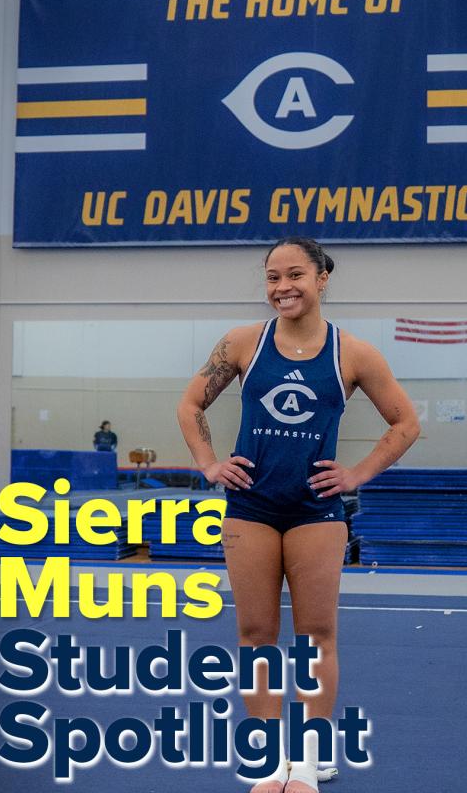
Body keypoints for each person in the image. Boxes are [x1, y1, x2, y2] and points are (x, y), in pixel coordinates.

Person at [177, 237, 420, 793]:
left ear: (322, 278)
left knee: (315, 636)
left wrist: (356, 475)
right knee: (256, 632)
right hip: (249, 507)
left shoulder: (353, 354)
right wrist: (209, 464)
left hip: (316, 510)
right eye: (270, 277)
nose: (281, 287)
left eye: (293, 275)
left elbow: (404, 423)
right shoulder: (242, 344)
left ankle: (307, 761)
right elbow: (190, 405)